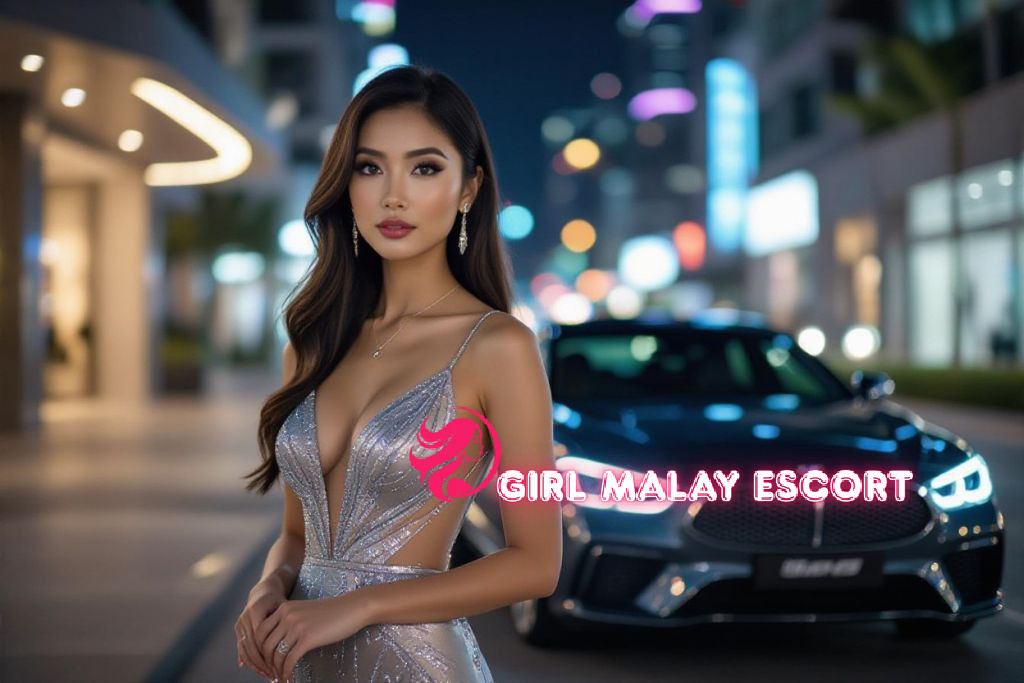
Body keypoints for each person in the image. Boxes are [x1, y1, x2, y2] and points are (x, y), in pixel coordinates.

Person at [236, 64, 561, 682]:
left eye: (425, 167)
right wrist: (269, 586)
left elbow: (535, 564)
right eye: (369, 166)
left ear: (468, 189)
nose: (393, 195)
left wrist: (359, 606)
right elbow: (295, 535)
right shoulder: (312, 344)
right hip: (305, 665)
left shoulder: (499, 346)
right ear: (346, 182)